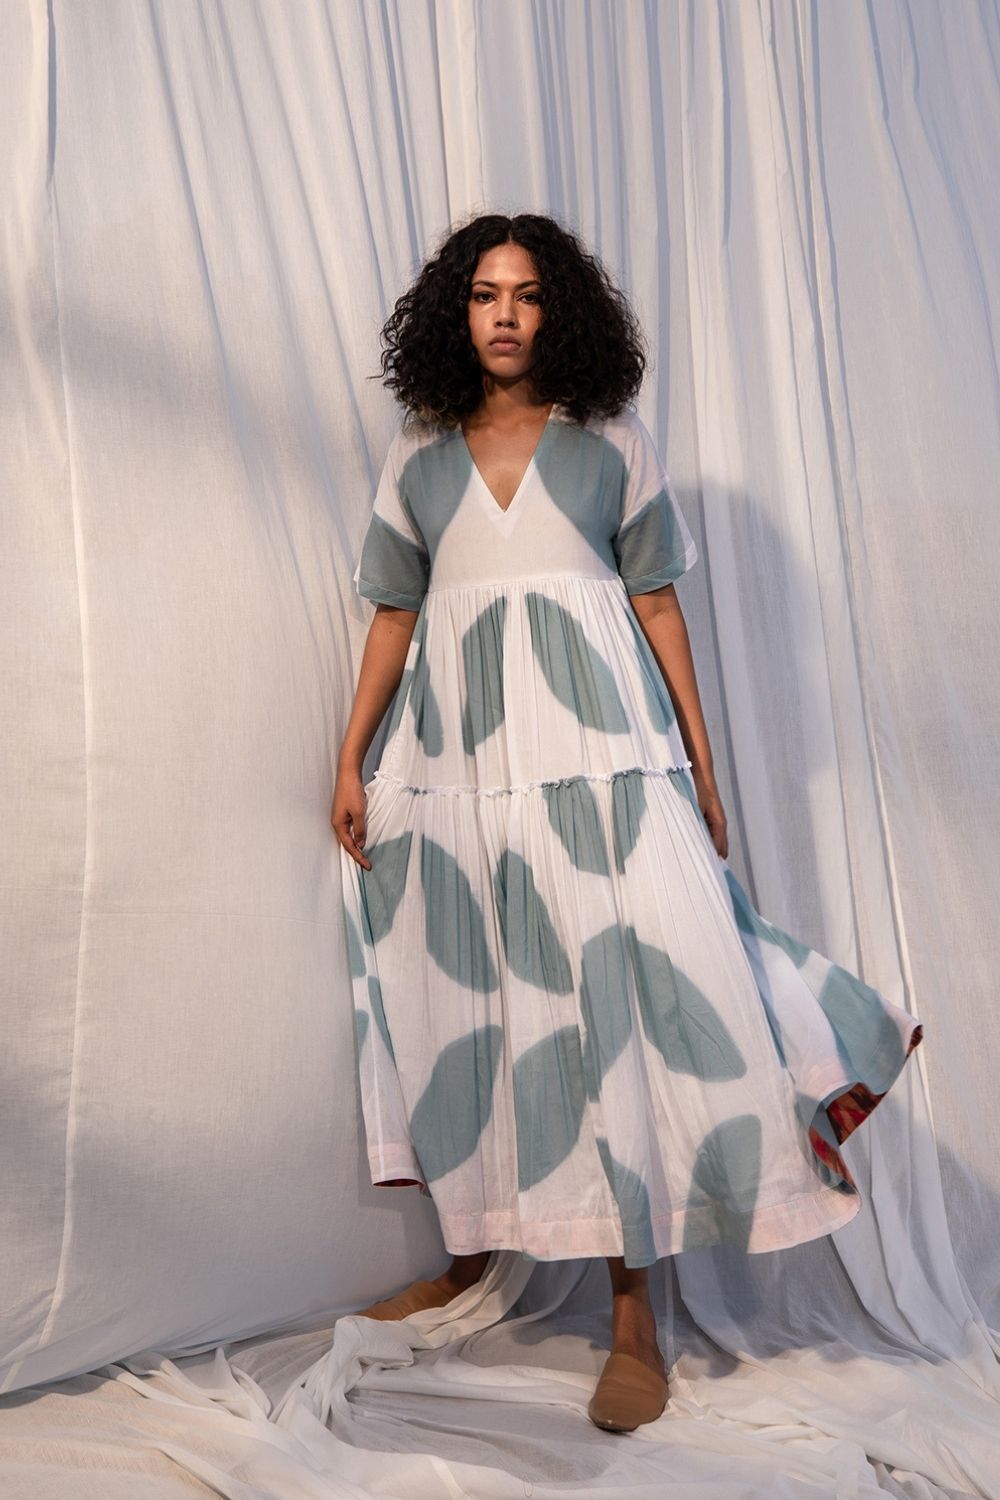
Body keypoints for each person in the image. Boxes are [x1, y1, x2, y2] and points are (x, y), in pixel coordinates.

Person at [331, 212, 924, 1432]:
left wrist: (702, 764)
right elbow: (395, 612)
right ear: (456, 313)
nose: (504, 314)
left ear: (559, 311)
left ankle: (634, 1314)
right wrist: (351, 757)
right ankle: (473, 1252)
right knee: (480, 999)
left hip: (601, 757)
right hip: (460, 766)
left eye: (527, 293)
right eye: (484, 294)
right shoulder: (419, 455)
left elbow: (656, 605)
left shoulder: (610, 441)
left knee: (616, 1002)